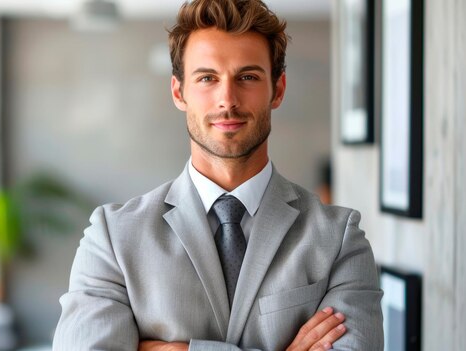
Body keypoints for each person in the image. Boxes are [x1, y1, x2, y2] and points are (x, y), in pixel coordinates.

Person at [53, 0, 383, 350]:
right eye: (207, 78)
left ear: (278, 89)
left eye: (248, 77)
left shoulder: (338, 240)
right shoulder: (113, 239)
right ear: (179, 91)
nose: (227, 99)